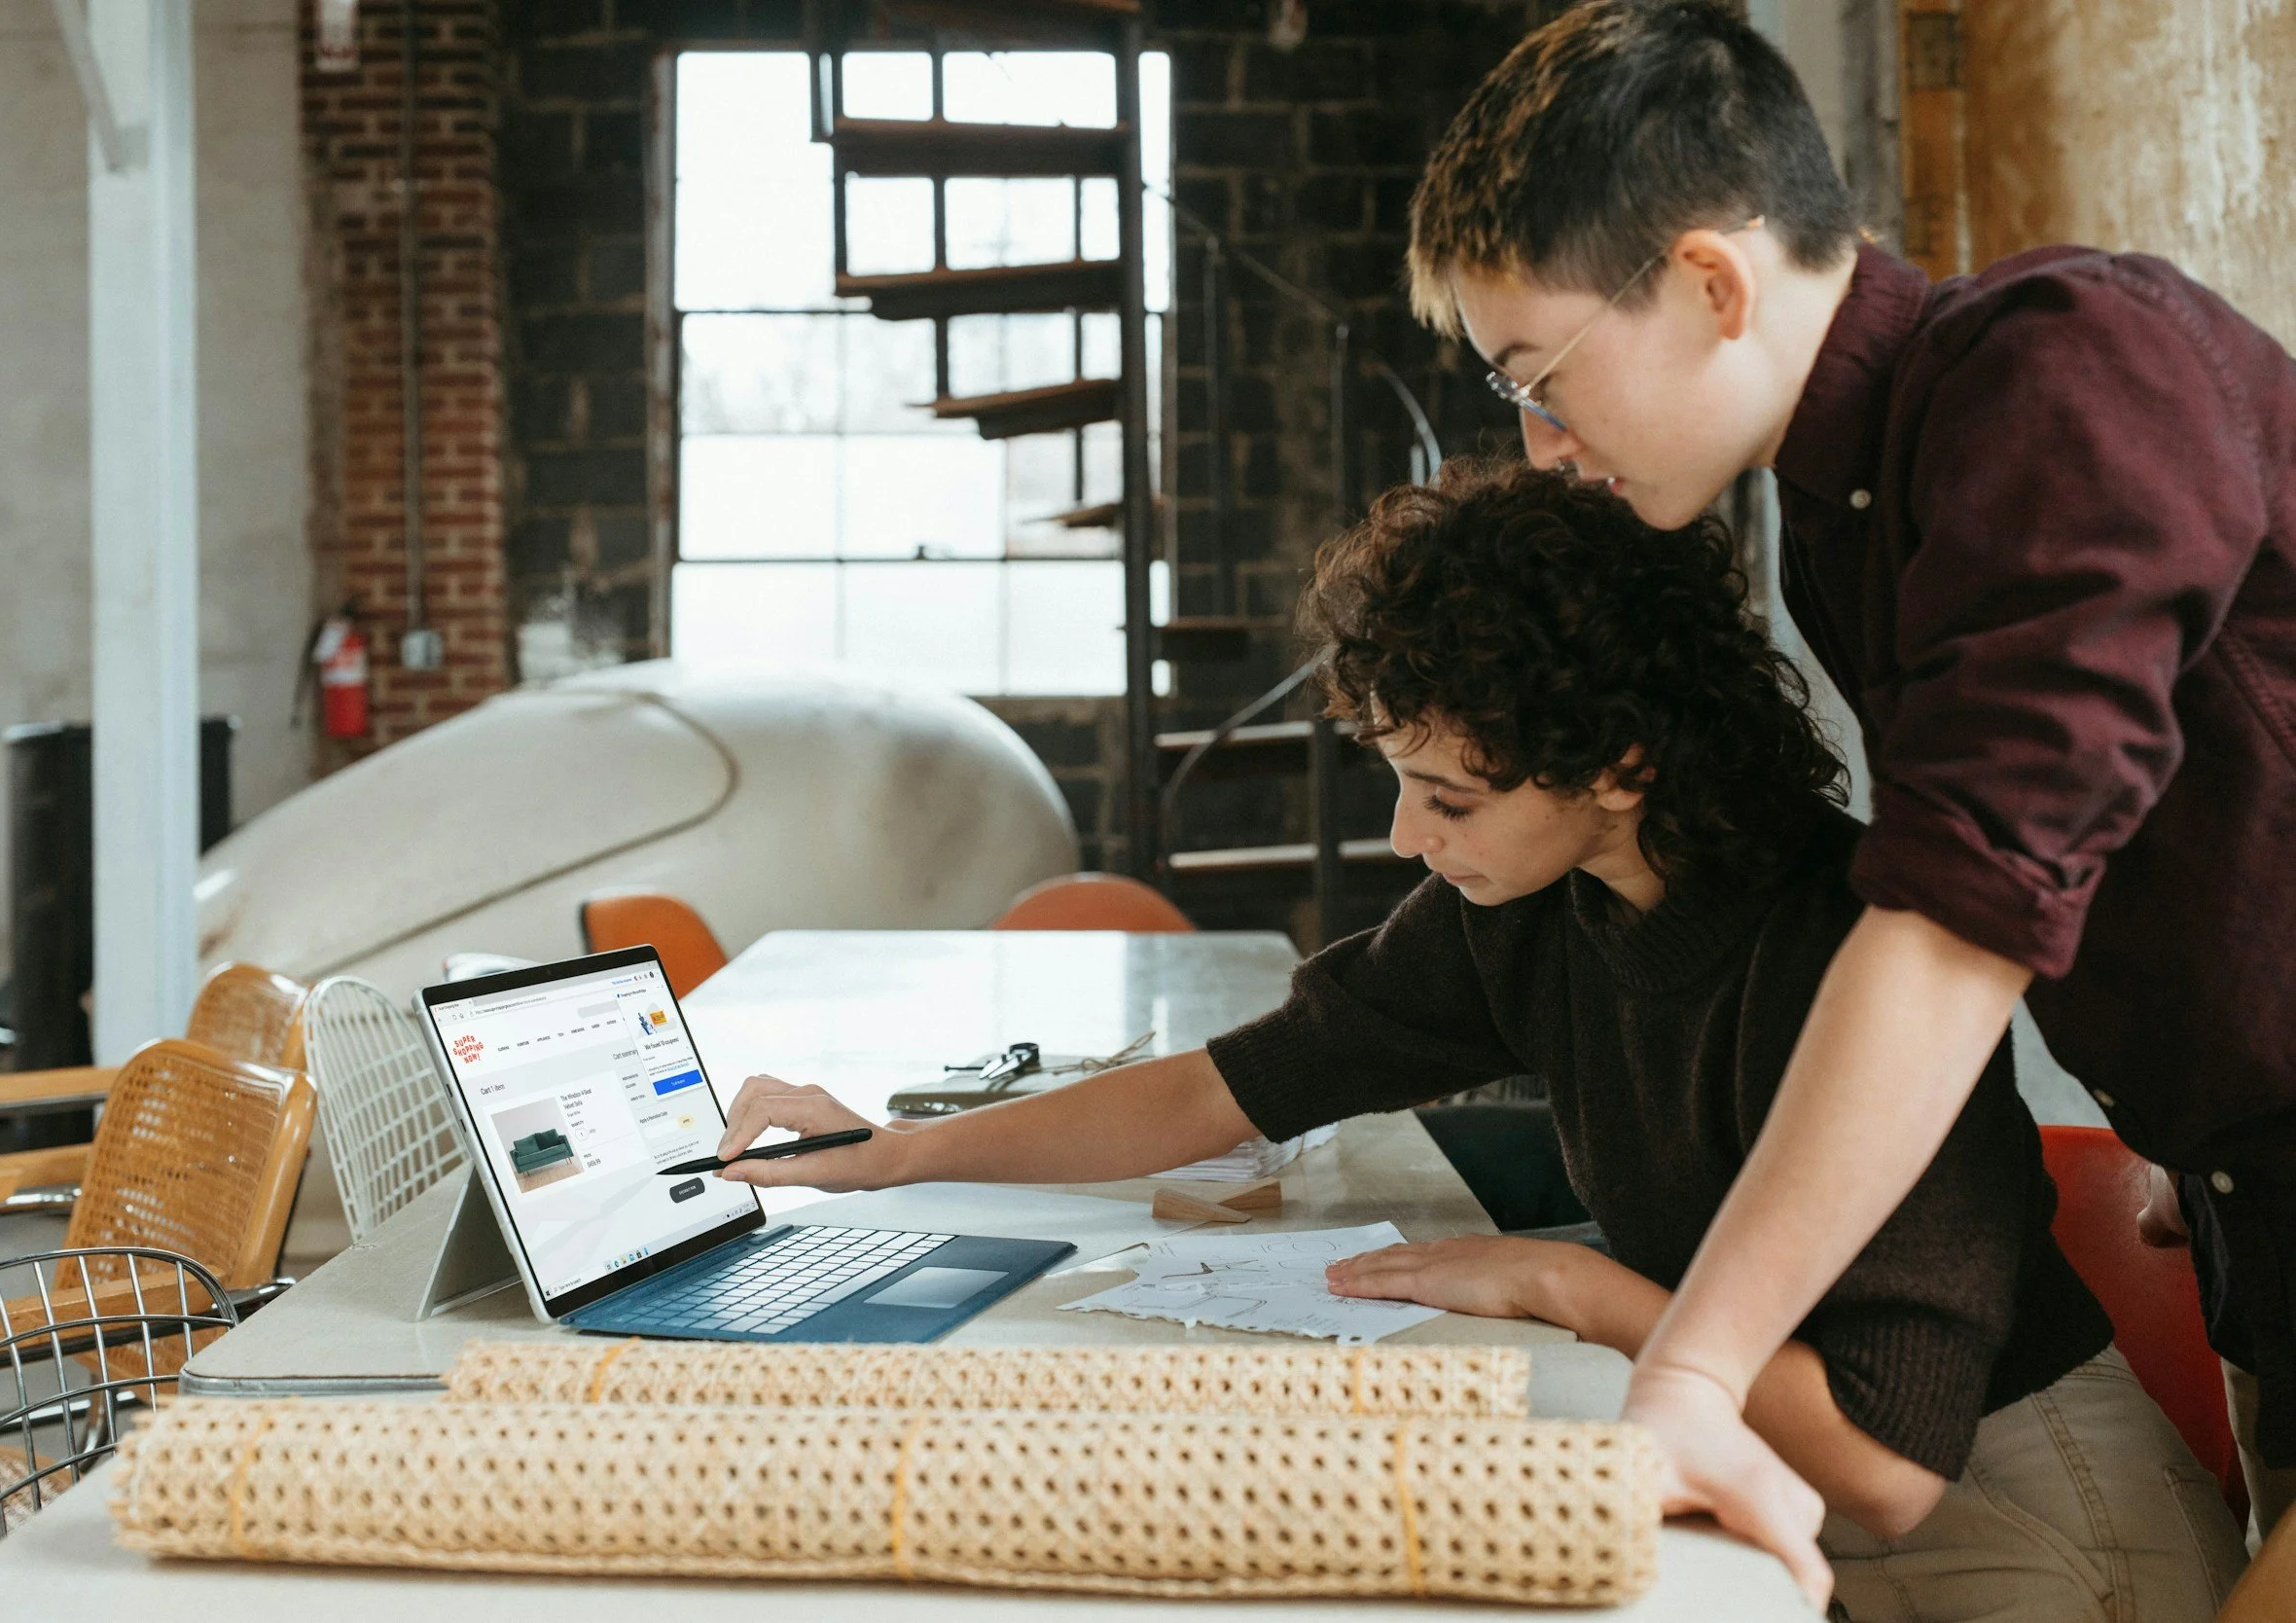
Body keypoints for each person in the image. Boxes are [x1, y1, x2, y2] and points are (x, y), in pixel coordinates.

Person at [709, 460, 2246, 1619]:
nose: (1402, 836)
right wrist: (895, 1154)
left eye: (1449, 797)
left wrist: (1566, 1283)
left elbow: (1889, 1467)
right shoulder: (1532, 899)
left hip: (2027, 1522)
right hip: (1791, 1491)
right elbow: (1225, 1086)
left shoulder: (1841, 947)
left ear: (1622, 763)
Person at [1400, 0, 2296, 1598]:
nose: (1542, 449)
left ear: (1707, 282)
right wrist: (2197, 1106)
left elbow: (1963, 918)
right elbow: (2137, 828)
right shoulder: (1843, 512)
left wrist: (1687, 1367)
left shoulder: (2064, 375)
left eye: (1539, 377)